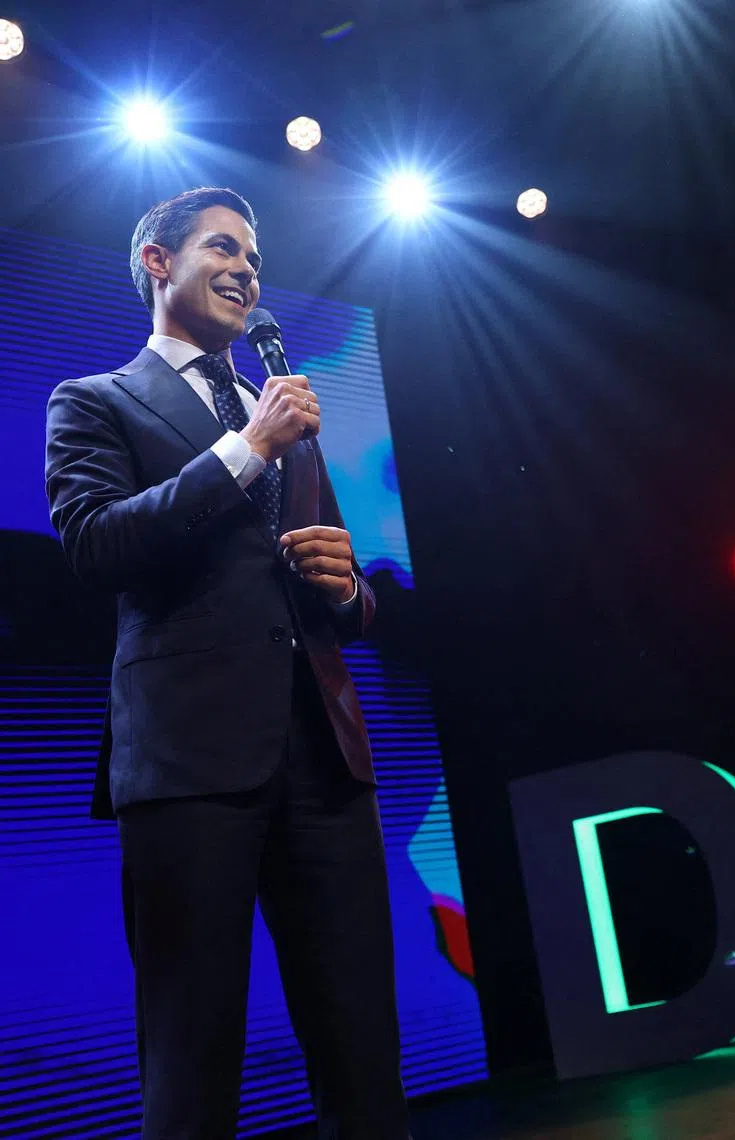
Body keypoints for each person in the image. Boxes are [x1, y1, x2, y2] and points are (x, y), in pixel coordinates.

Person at [44, 187, 411, 1139]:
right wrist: (247, 448)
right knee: (192, 1048)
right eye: (224, 246)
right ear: (158, 263)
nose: (249, 267)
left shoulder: (280, 409)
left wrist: (349, 591)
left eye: (256, 254)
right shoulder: (94, 402)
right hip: (187, 767)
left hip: (323, 759)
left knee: (363, 1047)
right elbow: (92, 546)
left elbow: (339, 591)